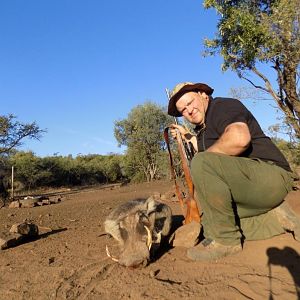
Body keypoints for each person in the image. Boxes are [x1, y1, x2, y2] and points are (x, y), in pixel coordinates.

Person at [168, 82, 299, 261]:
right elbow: (208, 149)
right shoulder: (202, 131)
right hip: (253, 188)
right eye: (183, 110)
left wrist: (204, 162)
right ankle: (277, 218)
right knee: (210, 220)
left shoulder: (222, 107)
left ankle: (226, 241)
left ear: (203, 94)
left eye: (190, 102)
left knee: (203, 164)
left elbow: (239, 139)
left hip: (272, 174)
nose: (189, 111)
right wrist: (188, 137)